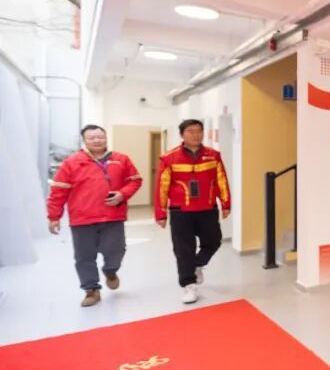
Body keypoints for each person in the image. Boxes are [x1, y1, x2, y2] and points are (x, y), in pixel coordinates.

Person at [46, 125, 142, 307]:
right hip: (82, 219)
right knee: (84, 257)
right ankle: (91, 290)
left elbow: (135, 181)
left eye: (100, 137)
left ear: (106, 138)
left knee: (116, 250)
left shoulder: (121, 159)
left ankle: (110, 270)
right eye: (91, 138)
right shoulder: (71, 163)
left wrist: (122, 194)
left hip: (113, 216)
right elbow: (58, 191)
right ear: (84, 140)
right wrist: (54, 216)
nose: (96, 140)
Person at [154, 119, 231, 305]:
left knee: (214, 241)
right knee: (183, 249)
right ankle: (189, 285)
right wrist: (161, 213)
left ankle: (197, 264)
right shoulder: (169, 158)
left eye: (199, 131)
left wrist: (226, 203)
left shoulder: (213, 155)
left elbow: (221, 180)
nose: (196, 135)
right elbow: (162, 187)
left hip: (207, 209)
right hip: (181, 211)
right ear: (182, 135)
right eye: (191, 131)